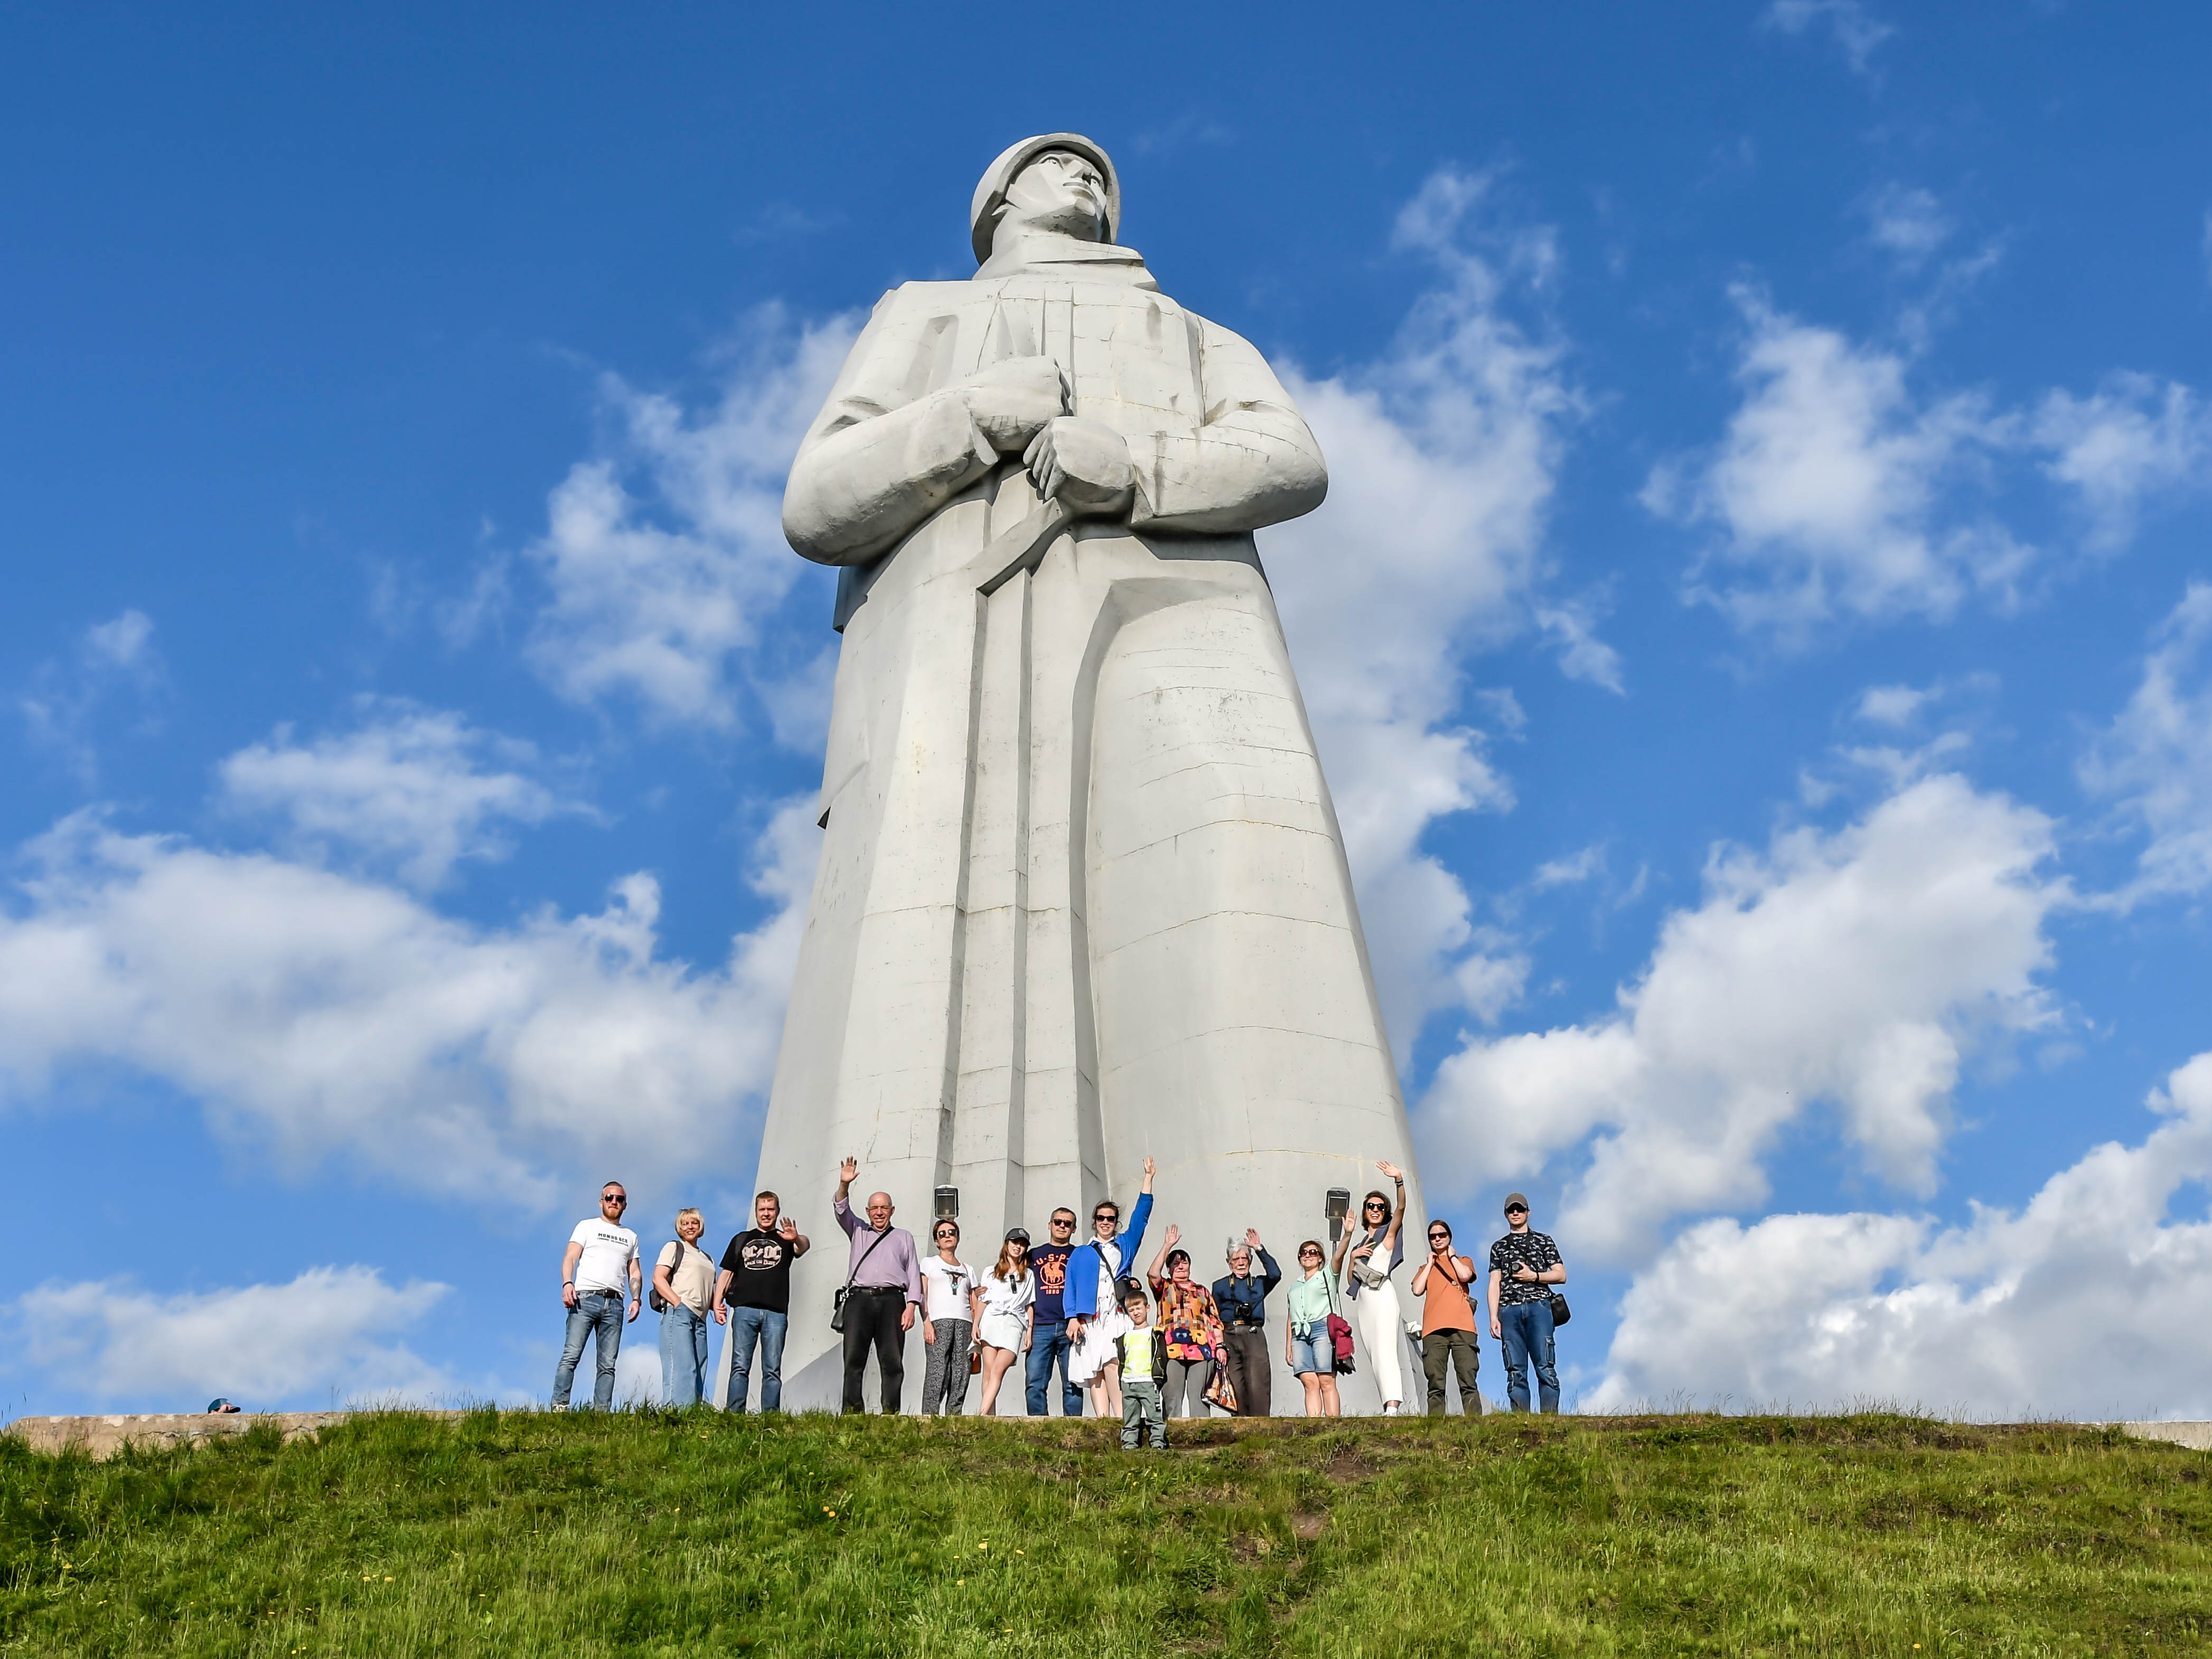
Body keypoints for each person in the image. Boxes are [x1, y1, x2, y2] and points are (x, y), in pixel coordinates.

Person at [1063, 1156, 1157, 1419]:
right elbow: (1069, 1286)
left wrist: (1148, 1179)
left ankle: (1122, 1417)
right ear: (1095, 1221)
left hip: (1117, 1314)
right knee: (1095, 1371)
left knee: (1114, 1363)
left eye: (1111, 1218)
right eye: (1102, 1218)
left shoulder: (1124, 1244)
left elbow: (1141, 1217)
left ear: (1116, 1222)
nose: (1106, 1222)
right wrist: (1072, 1318)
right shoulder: (1082, 1252)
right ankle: (1102, 1419)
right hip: (1089, 1318)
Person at [832, 1156, 923, 1414]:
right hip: (859, 1301)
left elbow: (914, 1274)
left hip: (893, 1301)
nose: (879, 1212)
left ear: (892, 1211)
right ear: (868, 1212)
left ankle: (891, 1412)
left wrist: (912, 1307)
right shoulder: (858, 1230)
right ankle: (852, 1411)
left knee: (892, 1361)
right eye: (874, 1208)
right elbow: (840, 1208)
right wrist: (844, 1184)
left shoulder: (904, 1237)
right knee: (853, 1359)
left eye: (884, 1208)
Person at [713, 1191, 809, 1413]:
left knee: (772, 1368)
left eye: (770, 1210)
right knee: (739, 1366)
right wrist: (718, 1303)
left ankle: (771, 1415)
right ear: (756, 1212)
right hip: (744, 1310)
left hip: (775, 1313)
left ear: (777, 1212)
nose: (766, 1214)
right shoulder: (741, 1239)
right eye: (762, 1210)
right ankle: (734, 1413)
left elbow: (804, 1246)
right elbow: (726, 1274)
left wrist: (795, 1237)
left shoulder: (785, 1239)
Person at [554, 1181, 641, 1410]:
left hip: (615, 1303)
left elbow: (634, 1271)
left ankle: (601, 1412)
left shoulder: (630, 1236)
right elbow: (570, 1257)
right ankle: (560, 1406)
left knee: (608, 1364)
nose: (614, 1202)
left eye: (619, 1199)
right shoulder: (587, 1226)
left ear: (625, 1205)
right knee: (571, 1355)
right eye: (610, 1198)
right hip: (585, 1299)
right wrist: (567, 1283)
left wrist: (637, 1298)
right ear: (602, 1201)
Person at [1332, 1161, 1409, 1416]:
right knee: (1374, 1354)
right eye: (1371, 1207)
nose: (1375, 1210)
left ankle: (1394, 1405)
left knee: (1386, 1350)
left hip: (1383, 1295)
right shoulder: (1363, 1242)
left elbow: (1401, 1208)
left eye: (1379, 1207)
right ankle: (1387, 1404)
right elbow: (1350, 1282)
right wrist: (1354, 1254)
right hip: (1365, 1300)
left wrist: (1399, 1180)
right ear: (1365, 1212)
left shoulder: (1388, 1234)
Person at [1488, 1192, 1567, 1415]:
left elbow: (1561, 1275)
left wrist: (1535, 1276)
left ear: (1528, 1212)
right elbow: (1494, 1282)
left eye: (1520, 1209)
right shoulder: (1498, 1247)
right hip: (1509, 1311)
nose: (1515, 1213)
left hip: (1539, 1307)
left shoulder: (1544, 1240)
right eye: (1511, 1210)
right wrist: (1493, 1316)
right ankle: (1520, 1422)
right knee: (1515, 1370)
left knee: (1545, 1365)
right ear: (1506, 1214)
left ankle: (1549, 1419)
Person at [1146, 1224, 1226, 1419]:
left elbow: (1215, 1321)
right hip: (1171, 1349)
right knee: (1172, 1398)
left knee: (1199, 1398)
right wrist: (1167, 1246)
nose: (1181, 1267)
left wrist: (1221, 1347)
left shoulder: (1202, 1291)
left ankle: (1201, 1439)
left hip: (1202, 1349)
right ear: (1169, 1268)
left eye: (1184, 1263)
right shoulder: (1165, 1288)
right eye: (1175, 1264)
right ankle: (1171, 1439)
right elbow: (1152, 1274)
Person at [1412, 1218, 1481, 1418]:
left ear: (1449, 1238)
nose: (1438, 1239)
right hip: (1433, 1330)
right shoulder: (1426, 1268)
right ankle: (1435, 1425)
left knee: (1468, 1379)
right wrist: (1429, 1264)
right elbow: (1417, 1289)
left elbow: (1466, 1276)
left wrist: (1451, 1257)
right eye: (1433, 1237)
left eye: (1442, 1235)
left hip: (1463, 1327)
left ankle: (1475, 1423)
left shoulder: (1464, 1260)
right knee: (1435, 1381)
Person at [1212, 1228, 1281, 1418]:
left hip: (1253, 1333)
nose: (1241, 1263)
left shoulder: (1258, 1283)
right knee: (1235, 1382)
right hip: (1230, 1334)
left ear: (1250, 1261)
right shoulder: (1219, 1286)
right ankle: (1239, 1424)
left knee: (1258, 1382)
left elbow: (1275, 1274)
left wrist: (1259, 1248)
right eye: (1236, 1259)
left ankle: (1260, 1425)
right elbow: (1214, 1316)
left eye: (1245, 1259)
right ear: (1229, 1263)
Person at [652, 1207, 716, 1407]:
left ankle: (693, 1413)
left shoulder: (707, 1258)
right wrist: (677, 1303)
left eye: (694, 1223)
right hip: (679, 1313)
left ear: (701, 1226)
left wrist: (716, 1306)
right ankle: (674, 1414)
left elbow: (705, 1288)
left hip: (701, 1318)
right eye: (685, 1223)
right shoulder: (674, 1247)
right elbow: (658, 1278)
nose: (690, 1227)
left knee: (699, 1367)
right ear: (679, 1227)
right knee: (682, 1366)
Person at [1025, 1207, 1083, 1416]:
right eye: (1058, 1222)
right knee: (1034, 1383)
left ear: (1074, 1228)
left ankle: (1073, 1429)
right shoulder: (1033, 1255)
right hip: (1040, 1325)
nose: (1062, 1226)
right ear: (1050, 1225)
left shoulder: (1079, 1254)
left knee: (1073, 1383)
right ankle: (1039, 1426)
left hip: (1072, 1325)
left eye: (1067, 1223)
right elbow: (1011, 1274)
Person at [919, 1217, 976, 1416]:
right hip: (939, 1320)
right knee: (938, 1368)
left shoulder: (968, 1269)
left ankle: (954, 1413)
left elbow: (973, 1299)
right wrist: (926, 1322)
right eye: (942, 1234)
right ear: (936, 1241)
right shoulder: (929, 1263)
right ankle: (930, 1413)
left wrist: (977, 1327)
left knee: (961, 1369)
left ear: (958, 1237)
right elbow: (922, 1294)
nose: (947, 1237)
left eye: (952, 1233)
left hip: (965, 1321)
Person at [974, 1228, 1035, 1417]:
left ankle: (981, 1414)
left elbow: (1029, 1305)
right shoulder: (990, 1272)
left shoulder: (1029, 1275)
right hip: (991, 1320)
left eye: (1022, 1244)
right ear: (1007, 1244)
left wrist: (1029, 1331)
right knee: (989, 1370)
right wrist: (975, 1324)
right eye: (1015, 1242)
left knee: (999, 1369)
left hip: (1014, 1322)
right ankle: (989, 1417)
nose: (1018, 1247)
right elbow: (983, 1300)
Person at [1282, 1239, 1342, 1418]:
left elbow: (1339, 1257)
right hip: (1299, 1333)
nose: (1308, 1255)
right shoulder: (1294, 1286)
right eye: (1304, 1252)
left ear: (1321, 1258)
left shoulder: (1327, 1276)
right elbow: (1291, 1315)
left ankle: (1333, 1424)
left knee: (1326, 1379)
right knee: (1308, 1381)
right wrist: (1288, 1345)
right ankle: (1314, 1423)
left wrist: (1347, 1234)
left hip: (1321, 1328)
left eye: (1313, 1252)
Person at [1116, 1285, 1168, 1450]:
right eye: (1131, 1310)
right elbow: (1123, 1359)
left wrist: (1158, 1378)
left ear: (1147, 1308)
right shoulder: (1125, 1337)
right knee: (1130, 1418)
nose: (1136, 1313)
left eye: (1138, 1308)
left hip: (1148, 1382)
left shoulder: (1155, 1333)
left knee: (1154, 1416)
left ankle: (1158, 1444)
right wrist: (1122, 1379)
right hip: (1129, 1382)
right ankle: (1129, 1446)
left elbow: (1162, 1356)